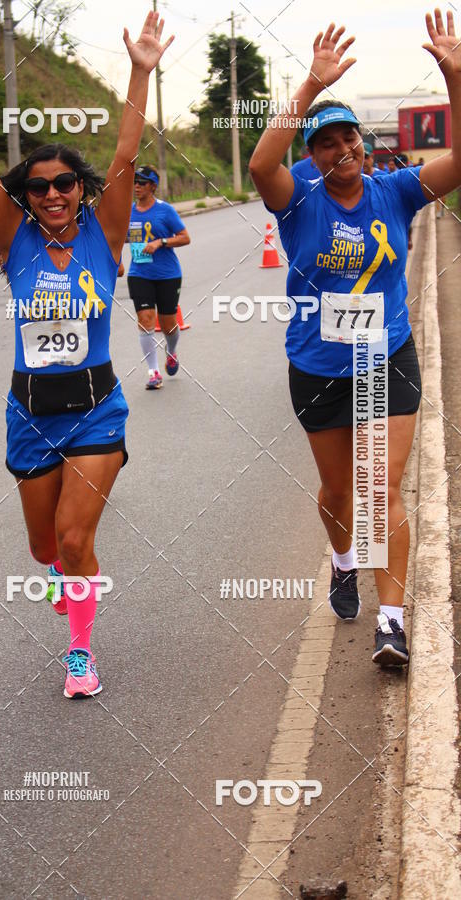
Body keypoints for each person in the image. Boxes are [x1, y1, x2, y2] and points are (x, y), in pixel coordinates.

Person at [0, 13, 174, 697]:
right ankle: (62, 572)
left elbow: (125, 153)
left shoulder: (105, 235)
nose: (54, 194)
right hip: (30, 415)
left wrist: (140, 73)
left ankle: (80, 656)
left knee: (73, 539)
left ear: (80, 190)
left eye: (65, 183)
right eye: (39, 187)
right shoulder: (17, 242)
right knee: (44, 549)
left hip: (95, 411)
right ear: (26, 198)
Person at [248, 10, 461, 667]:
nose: (342, 150)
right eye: (326, 143)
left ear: (365, 145)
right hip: (317, 366)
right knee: (339, 494)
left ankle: (391, 623)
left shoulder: (394, 191)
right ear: (312, 155)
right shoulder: (297, 200)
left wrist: (454, 76)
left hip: (385, 355)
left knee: (380, 485)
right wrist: (312, 83)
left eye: (350, 139)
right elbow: (259, 162)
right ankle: (343, 561)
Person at [126, 165, 190, 389]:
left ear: (153, 186)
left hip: (167, 275)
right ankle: (153, 372)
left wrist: (160, 242)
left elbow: (185, 237)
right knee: (145, 320)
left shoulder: (165, 211)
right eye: (134, 182)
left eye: (142, 183)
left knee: (168, 325)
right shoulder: (128, 212)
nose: (136, 186)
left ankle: (171, 352)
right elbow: (122, 238)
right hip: (139, 273)